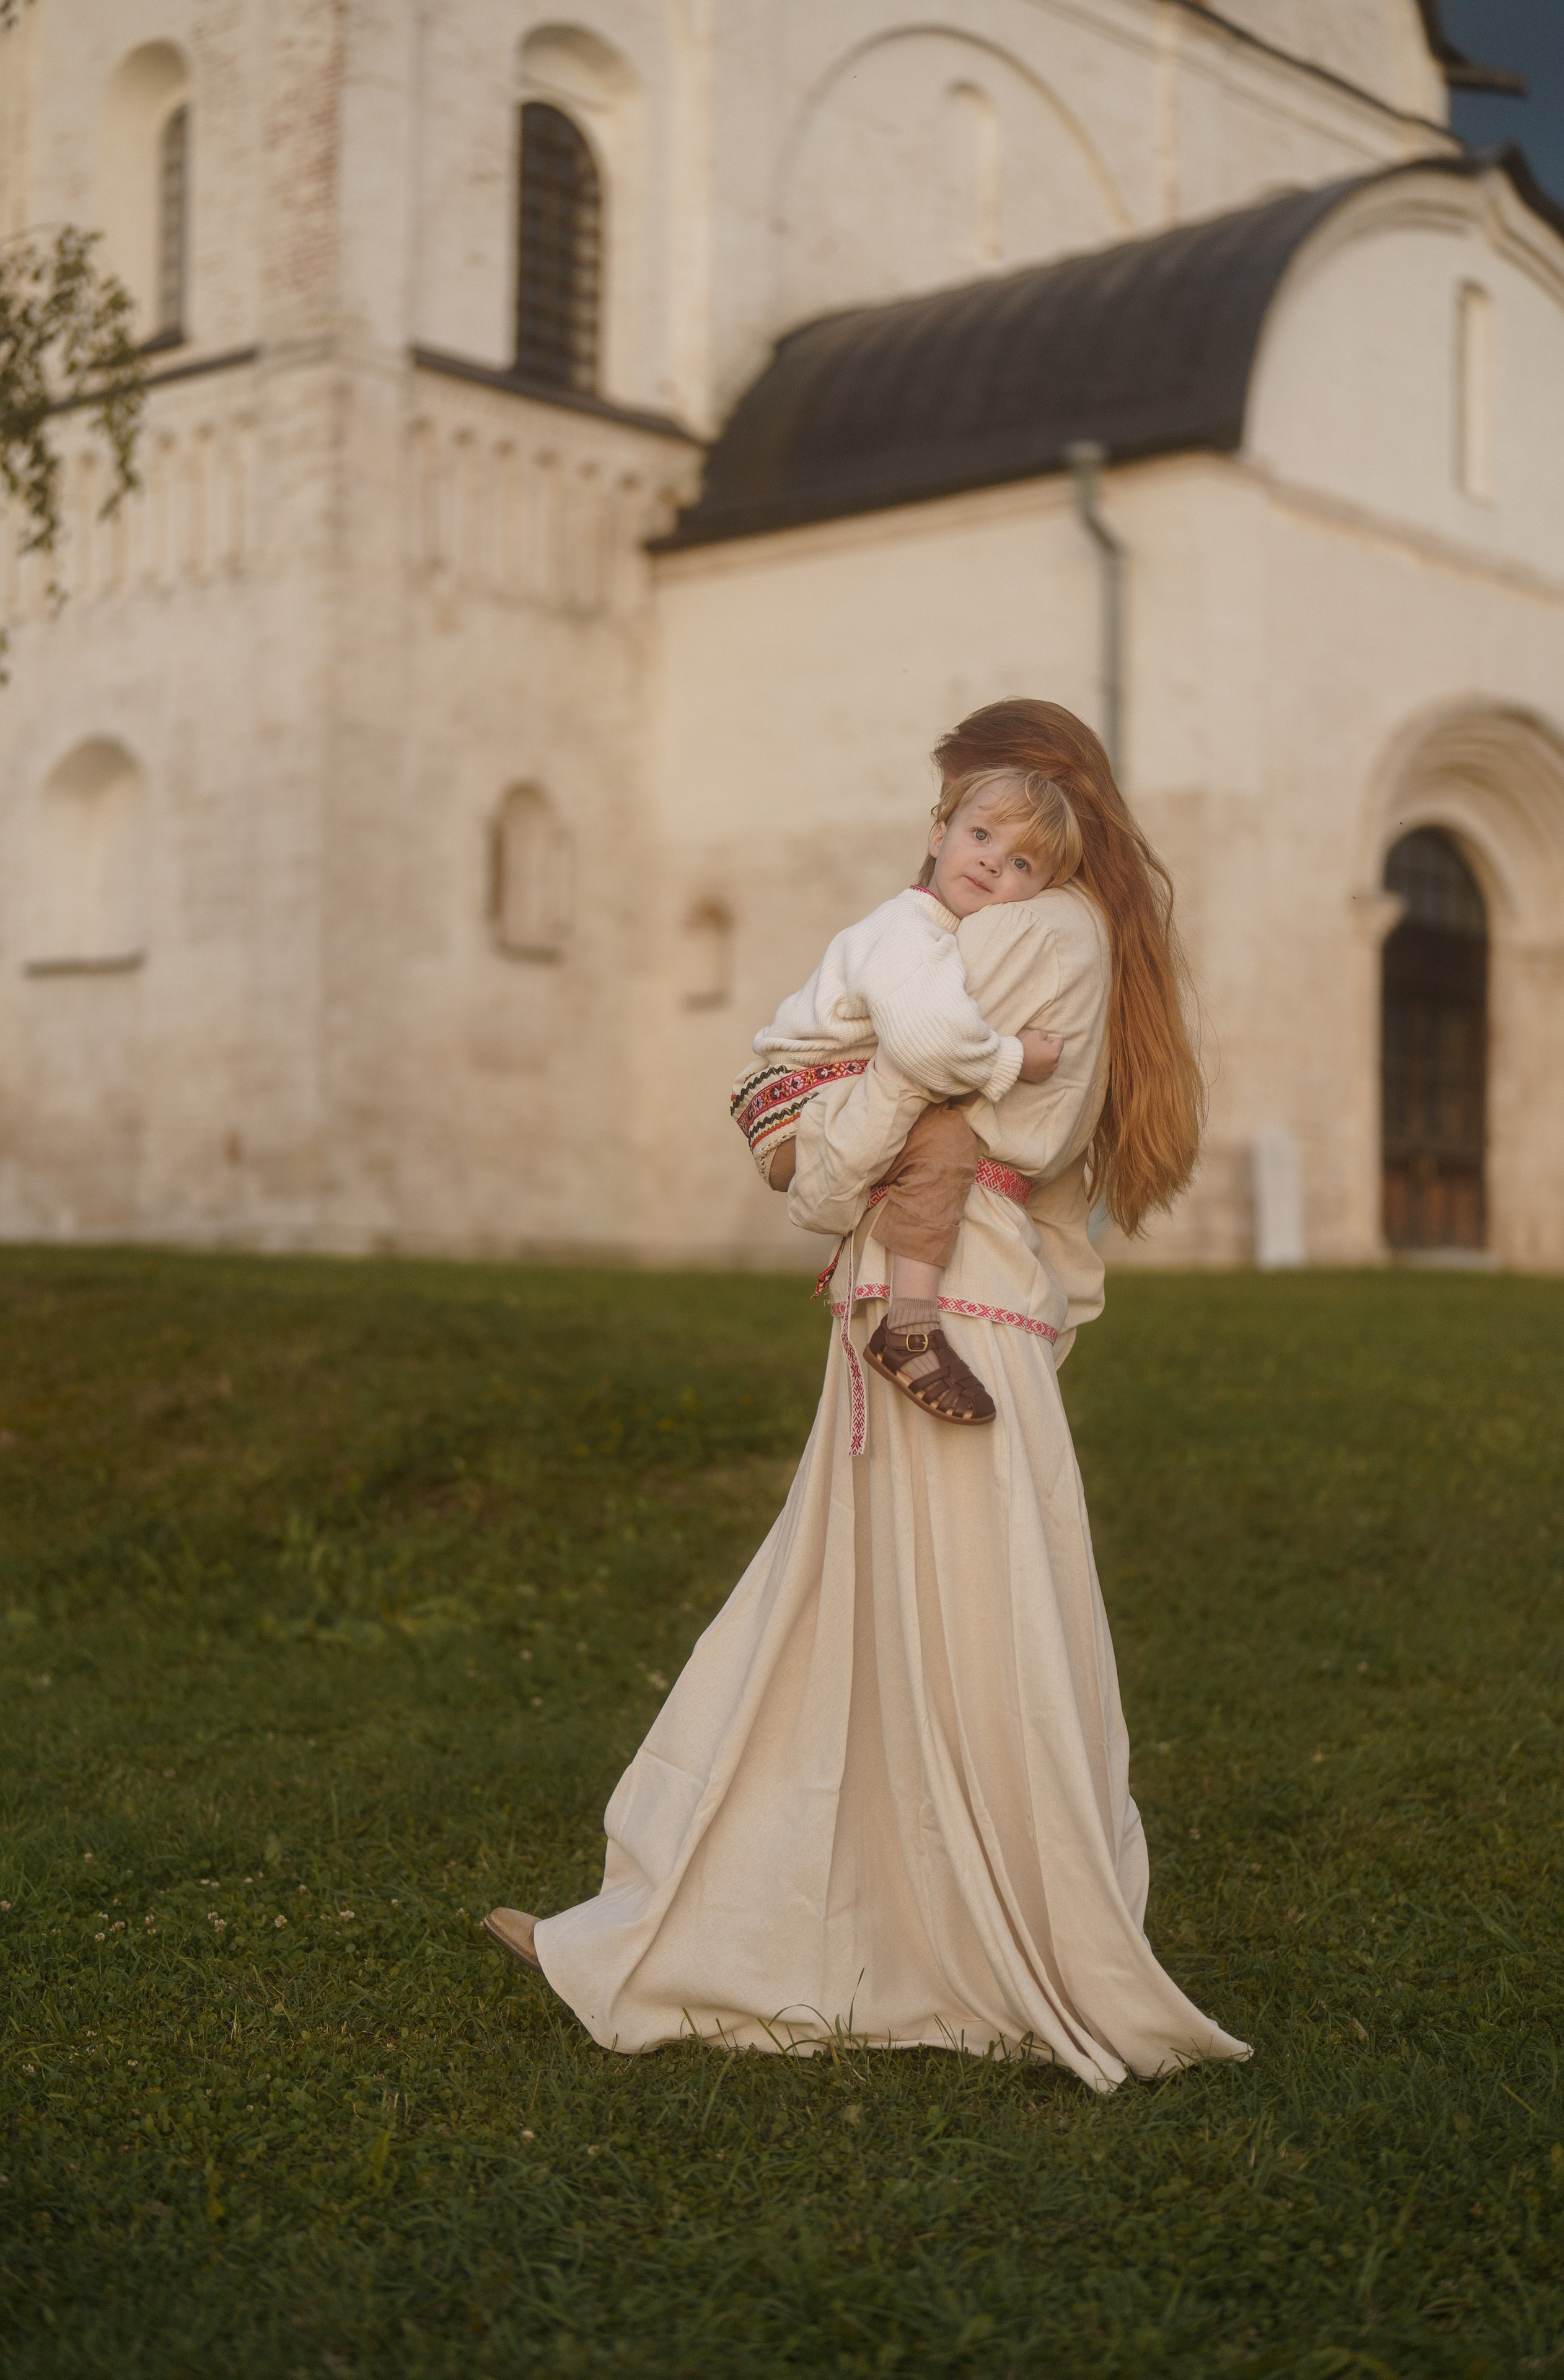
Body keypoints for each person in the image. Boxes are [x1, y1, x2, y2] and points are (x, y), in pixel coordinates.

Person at [485, 699, 1251, 2093]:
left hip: (945, 1295)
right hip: (948, 1296)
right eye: (964, 827)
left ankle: (954, 1945)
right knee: (851, 1629)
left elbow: (863, 1156)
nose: (963, 856)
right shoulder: (1062, 933)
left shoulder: (1019, 937)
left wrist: (803, 1139)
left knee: (947, 1629)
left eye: (989, 829)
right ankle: (726, 1927)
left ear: (1044, 826)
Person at [730, 769, 1073, 1426]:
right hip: (798, 1106)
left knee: (938, 1131)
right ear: (939, 833)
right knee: (945, 1139)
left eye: (1020, 862)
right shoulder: (911, 933)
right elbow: (926, 1047)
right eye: (979, 834)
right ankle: (910, 1327)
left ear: (1033, 894)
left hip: (808, 1097)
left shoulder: (932, 933)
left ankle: (906, 1318)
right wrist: (1014, 1056)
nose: (991, 860)